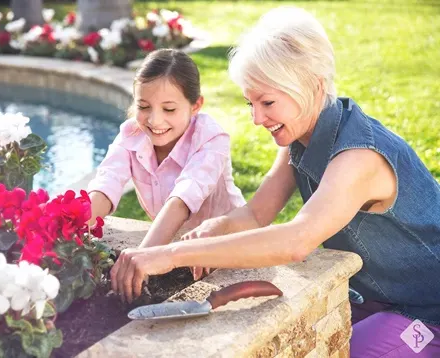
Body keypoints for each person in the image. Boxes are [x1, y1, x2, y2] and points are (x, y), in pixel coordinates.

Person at [109, 6, 440, 357]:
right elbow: (255, 215)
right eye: (250, 102)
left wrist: (170, 254)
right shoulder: (303, 138)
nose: (256, 118)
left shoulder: (360, 156)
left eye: (267, 102)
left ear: (313, 86)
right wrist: (214, 229)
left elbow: (296, 240)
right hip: (374, 299)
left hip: (427, 310)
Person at [87, 48, 245, 251]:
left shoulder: (211, 139)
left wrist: (143, 256)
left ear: (196, 105)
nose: (155, 120)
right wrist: (74, 231)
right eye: (143, 107)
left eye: (169, 109)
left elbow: (183, 199)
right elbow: (106, 183)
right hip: (175, 240)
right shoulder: (132, 133)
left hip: (227, 242)